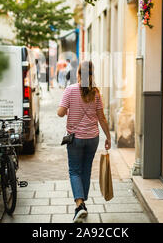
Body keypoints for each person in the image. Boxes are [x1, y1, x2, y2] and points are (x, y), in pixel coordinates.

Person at [57, 60, 112, 223]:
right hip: (93, 138)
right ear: (91, 74)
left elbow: (60, 113)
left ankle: (79, 204)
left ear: (78, 74)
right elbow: (101, 117)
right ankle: (83, 204)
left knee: (74, 170)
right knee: (86, 169)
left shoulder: (70, 90)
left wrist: (65, 107)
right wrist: (108, 137)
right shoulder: (96, 92)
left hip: (75, 139)